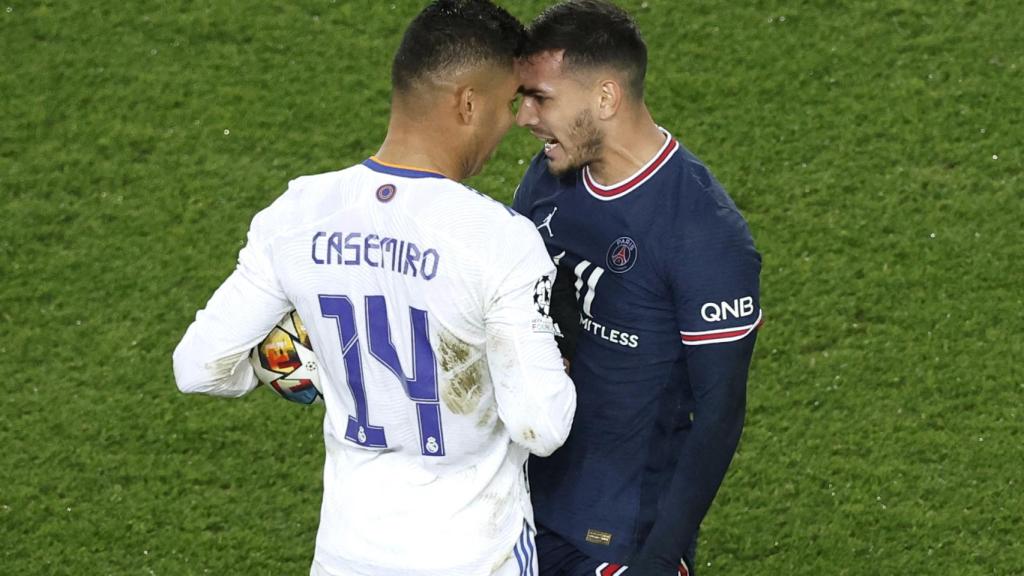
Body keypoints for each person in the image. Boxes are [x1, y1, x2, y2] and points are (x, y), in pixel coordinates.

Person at [172, 2, 576, 575]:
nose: (514, 121)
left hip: (347, 556)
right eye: (509, 102)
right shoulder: (497, 240)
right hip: (473, 557)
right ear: (467, 103)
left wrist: (301, 366)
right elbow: (541, 425)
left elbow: (199, 367)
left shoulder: (298, 214)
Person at [511, 1, 763, 575]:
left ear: (604, 98)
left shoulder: (705, 236)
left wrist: (657, 559)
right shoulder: (546, 180)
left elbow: (719, 415)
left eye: (541, 98)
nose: (524, 117)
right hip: (514, 505)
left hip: (615, 539)